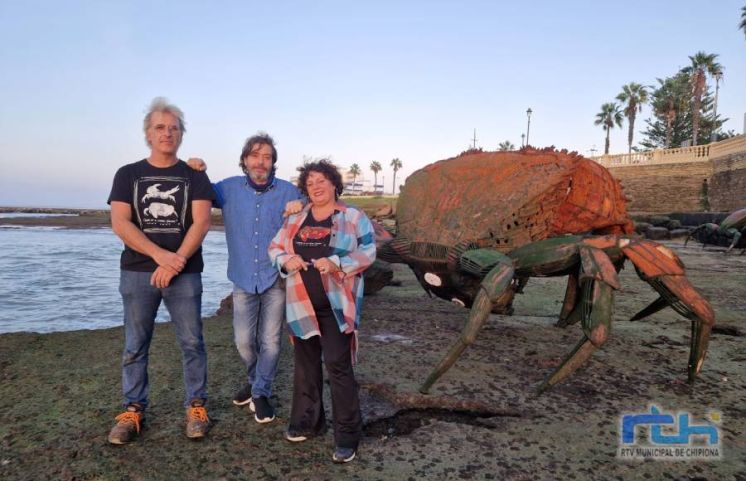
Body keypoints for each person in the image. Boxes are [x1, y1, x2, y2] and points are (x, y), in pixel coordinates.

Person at [106, 98, 215, 444]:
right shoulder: (128, 174)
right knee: (135, 345)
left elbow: (201, 221)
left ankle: (196, 405)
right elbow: (120, 222)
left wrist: (177, 261)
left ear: (181, 134)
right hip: (138, 272)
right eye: (160, 127)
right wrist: (159, 256)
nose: (167, 133)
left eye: (174, 127)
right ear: (148, 134)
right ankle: (133, 409)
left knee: (192, 342)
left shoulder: (194, 175)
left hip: (186, 273)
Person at [189, 133, 302, 423]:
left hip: (275, 278)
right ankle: (255, 381)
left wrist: (302, 206)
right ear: (244, 160)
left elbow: (317, 203)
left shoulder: (289, 191)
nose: (260, 162)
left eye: (266, 156)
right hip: (241, 277)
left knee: (271, 341)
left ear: (273, 162)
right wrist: (195, 169)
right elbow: (200, 191)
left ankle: (261, 391)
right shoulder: (228, 188)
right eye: (254, 155)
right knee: (243, 341)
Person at [269, 159, 376, 463]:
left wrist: (339, 263)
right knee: (305, 365)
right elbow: (275, 247)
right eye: (310, 182)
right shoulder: (295, 218)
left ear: (333, 184)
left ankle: (347, 436)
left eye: (321, 181)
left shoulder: (353, 216)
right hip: (301, 304)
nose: (315, 187)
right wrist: (285, 260)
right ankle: (307, 423)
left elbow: (369, 251)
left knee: (338, 366)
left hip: (337, 306)